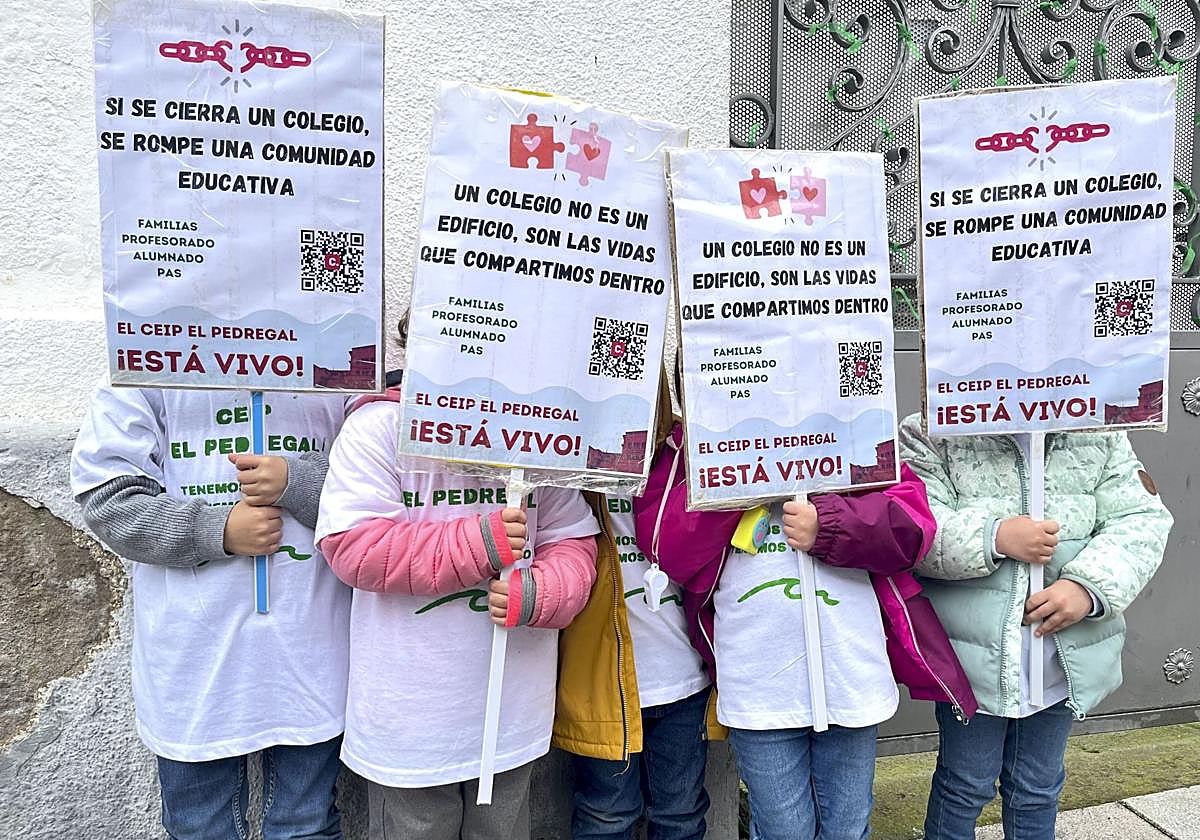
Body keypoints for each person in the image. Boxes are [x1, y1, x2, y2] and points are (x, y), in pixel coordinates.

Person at [634, 420, 972, 840]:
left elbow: (912, 526)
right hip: (758, 684)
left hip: (850, 674)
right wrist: (741, 477)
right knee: (781, 830)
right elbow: (667, 547)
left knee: (847, 829)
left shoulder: (855, 425)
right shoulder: (697, 439)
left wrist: (827, 523)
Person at [314, 373, 600, 840]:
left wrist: (542, 592)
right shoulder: (379, 426)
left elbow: (572, 540)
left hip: (511, 712)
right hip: (410, 719)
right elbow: (352, 547)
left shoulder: (539, 430)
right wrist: (480, 542)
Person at [70, 386, 351, 840]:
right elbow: (109, 500)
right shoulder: (145, 361)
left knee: (306, 825)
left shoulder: (340, 362)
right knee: (201, 827)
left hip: (312, 649)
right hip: (194, 661)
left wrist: (295, 482)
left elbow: (373, 488)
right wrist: (215, 529)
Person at [899, 415, 1173, 840]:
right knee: (964, 785)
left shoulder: (1095, 428)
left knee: (1038, 788)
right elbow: (912, 526)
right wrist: (994, 537)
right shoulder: (931, 430)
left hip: (1058, 662)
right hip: (974, 665)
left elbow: (1141, 518)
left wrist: (1089, 586)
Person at [555, 376, 715, 840]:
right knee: (607, 816)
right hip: (600, 685)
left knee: (681, 814)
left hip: (684, 681)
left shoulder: (686, 458)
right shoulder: (570, 473)